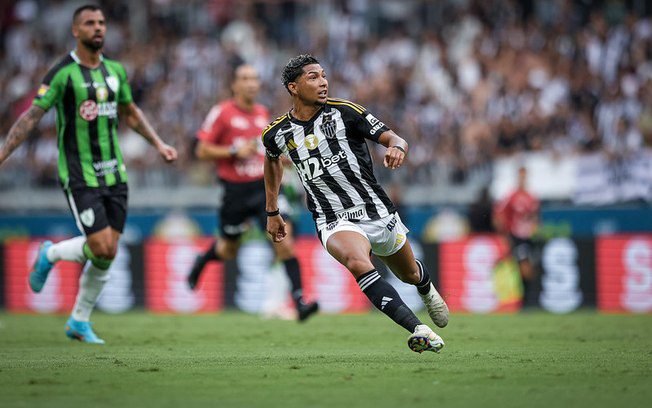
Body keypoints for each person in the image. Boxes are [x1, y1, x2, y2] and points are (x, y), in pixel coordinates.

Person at [0, 5, 178, 343]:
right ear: (75, 30)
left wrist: (159, 144)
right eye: (89, 23)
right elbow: (32, 117)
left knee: (107, 251)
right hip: (80, 174)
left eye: (101, 23)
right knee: (100, 245)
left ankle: (78, 321)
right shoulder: (62, 74)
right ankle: (50, 254)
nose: (97, 28)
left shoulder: (115, 70)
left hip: (115, 174)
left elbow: (130, 112)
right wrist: (3, 154)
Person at [262, 54, 449, 353]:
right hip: (332, 218)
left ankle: (425, 288)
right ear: (293, 87)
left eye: (324, 75)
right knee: (357, 262)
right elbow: (272, 162)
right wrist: (272, 211)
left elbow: (395, 138)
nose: (323, 82)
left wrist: (397, 149)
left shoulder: (346, 112)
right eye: (313, 77)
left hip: (376, 210)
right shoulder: (276, 133)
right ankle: (418, 329)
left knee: (409, 274)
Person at [186, 62, 318, 322]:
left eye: (255, 79)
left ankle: (300, 302)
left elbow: (265, 152)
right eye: (245, 78)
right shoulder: (222, 113)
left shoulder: (262, 113)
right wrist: (233, 151)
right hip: (235, 192)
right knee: (228, 250)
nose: (251, 83)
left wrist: (285, 158)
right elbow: (201, 150)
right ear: (234, 84)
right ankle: (203, 259)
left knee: (284, 241)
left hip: (263, 188)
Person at [493, 166, 540, 307]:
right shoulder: (511, 196)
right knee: (524, 267)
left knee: (528, 268)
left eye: (524, 177)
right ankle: (526, 301)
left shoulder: (532, 197)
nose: (522, 179)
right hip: (517, 237)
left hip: (529, 237)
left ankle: (526, 299)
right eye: (520, 177)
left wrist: (535, 228)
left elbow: (535, 217)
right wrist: (505, 234)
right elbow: (498, 214)